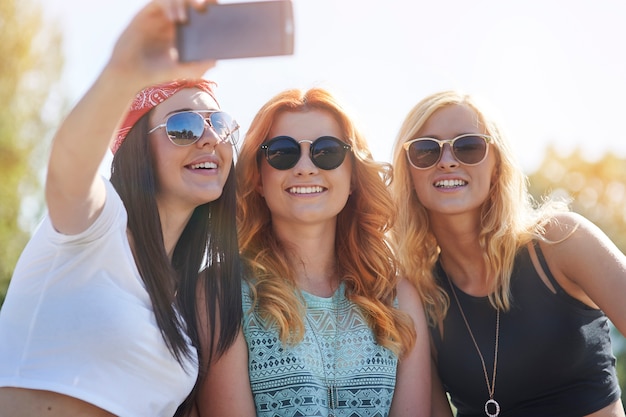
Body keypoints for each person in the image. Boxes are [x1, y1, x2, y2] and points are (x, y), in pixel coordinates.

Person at [0, 1, 243, 416]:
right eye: (183, 127)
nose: (208, 139)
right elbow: (68, 164)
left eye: (218, 124)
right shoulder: (96, 225)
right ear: (136, 148)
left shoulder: (183, 300)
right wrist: (125, 69)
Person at [196, 87, 431, 417]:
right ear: (258, 179)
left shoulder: (397, 297)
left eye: (328, 151)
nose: (305, 167)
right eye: (281, 153)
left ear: (352, 177)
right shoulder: (221, 292)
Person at [389, 89, 626, 417]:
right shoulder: (421, 295)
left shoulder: (561, 242)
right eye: (426, 150)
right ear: (410, 173)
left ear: (497, 165)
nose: (447, 161)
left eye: (469, 146)